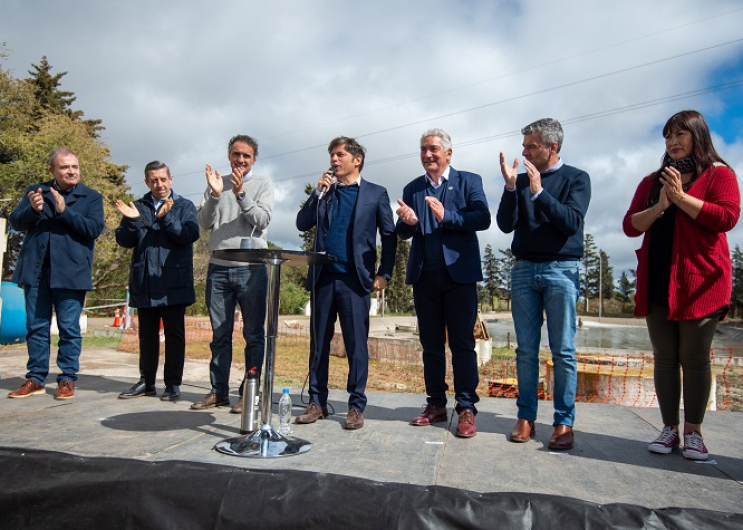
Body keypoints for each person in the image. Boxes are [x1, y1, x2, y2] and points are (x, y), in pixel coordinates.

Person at [622, 110, 740, 460]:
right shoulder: (651, 181)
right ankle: (669, 428)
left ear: (698, 136)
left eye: (680, 135)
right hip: (658, 280)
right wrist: (661, 204)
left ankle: (694, 434)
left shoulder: (720, 174)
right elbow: (630, 226)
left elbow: (727, 217)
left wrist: (682, 198)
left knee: (695, 358)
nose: (672, 142)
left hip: (701, 281)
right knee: (664, 358)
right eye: (668, 137)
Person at [496, 118, 591, 450]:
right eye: (523, 146)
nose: (523, 153)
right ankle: (526, 417)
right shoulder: (520, 181)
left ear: (552, 147)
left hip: (561, 269)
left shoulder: (577, 178)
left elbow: (571, 222)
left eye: (530, 147)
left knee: (563, 350)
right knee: (525, 351)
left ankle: (564, 423)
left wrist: (539, 193)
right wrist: (511, 188)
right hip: (523, 270)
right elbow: (505, 224)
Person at [295, 136, 396, 430]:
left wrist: (383, 274)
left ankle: (355, 406)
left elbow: (389, 238)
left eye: (339, 155)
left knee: (356, 346)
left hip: (356, 281)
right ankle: (317, 402)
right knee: (319, 344)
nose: (334, 160)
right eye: (331, 156)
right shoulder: (326, 194)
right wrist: (316, 193)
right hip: (323, 279)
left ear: (357, 159)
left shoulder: (376, 194)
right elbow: (302, 224)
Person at [395, 128, 490, 438]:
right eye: (423, 149)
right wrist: (408, 223)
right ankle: (436, 405)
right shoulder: (412, 188)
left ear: (449, 153)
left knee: (463, 344)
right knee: (431, 346)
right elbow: (403, 230)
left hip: (459, 276)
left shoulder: (469, 182)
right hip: (425, 277)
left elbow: (482, 218)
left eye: (433, 149)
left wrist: (447, 216)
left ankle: (466, 408)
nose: (427, 154)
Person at [7, 147, 104, 400]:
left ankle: (67, 379)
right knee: (36, 327)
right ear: (52, 170)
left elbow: (93, 229)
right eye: (64, 167)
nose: (71, 171)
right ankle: (36, 378)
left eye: (75, 167)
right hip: (37, 271)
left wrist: (64, 210)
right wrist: (33, 209)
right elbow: (15, 222)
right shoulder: (35, 190)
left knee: (69, 328)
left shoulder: (91, 197)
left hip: (71, 274)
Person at [191, 135, 274, 412]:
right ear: (229, 155)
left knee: (253, 334)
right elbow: (203, 224)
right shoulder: (217, 182)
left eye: (246, 156)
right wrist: (216, 195)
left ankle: (249, 392)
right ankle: (218, 391)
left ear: (254, 159)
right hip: (218, 269)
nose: (241, 160)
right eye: (236, 154)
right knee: (219, 335)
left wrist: (240, 194)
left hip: (251, 270)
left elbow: (262, 221)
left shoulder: (262, 184)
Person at [115, 161, 199, 401]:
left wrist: (165, 219)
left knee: (175, 336)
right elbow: (123, 240)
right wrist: (131, 221)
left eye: (163, 179)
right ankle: (147, 382)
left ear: (170, 179)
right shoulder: (138, 207)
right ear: (146, 182)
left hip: (174, 282)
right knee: (147, 336)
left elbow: (189, 235)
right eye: (153, 180)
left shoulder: (184, 206)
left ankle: (172, 384)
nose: (159, 184)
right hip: (146, 283)